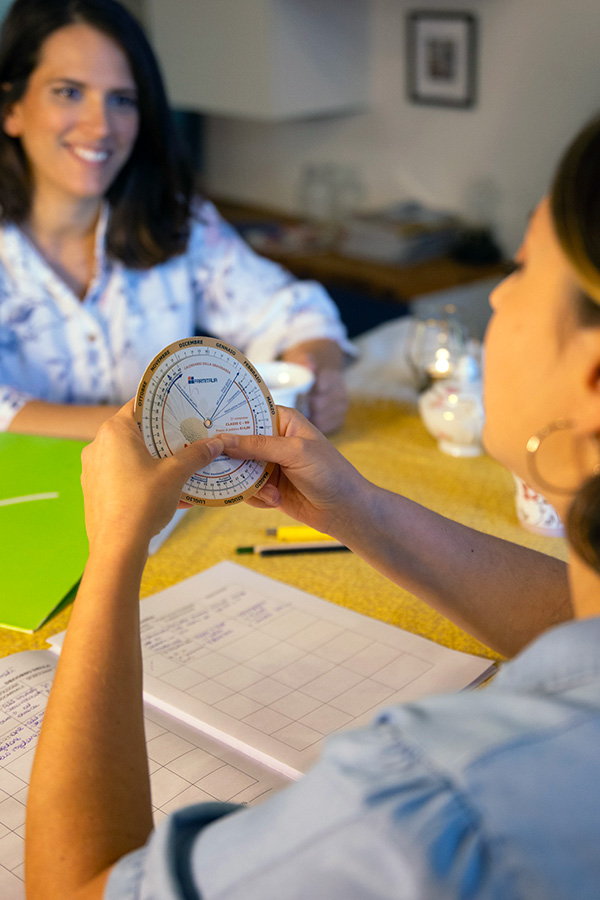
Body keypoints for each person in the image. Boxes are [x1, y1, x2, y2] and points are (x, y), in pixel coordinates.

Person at [23, 112, 600, 900]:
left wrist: (117, 545)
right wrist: (359, 509)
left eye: (523, 268)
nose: (496, 294)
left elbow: (77, 888)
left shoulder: (428, 800)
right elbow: (580, 630)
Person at [0, 0, 351, 441]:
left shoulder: (178, 219)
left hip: (176, 505)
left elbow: (294, 310)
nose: (100, 126)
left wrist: (317, 372)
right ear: (11, 109)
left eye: (122, 100)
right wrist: (168, 425)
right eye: (69, 92)